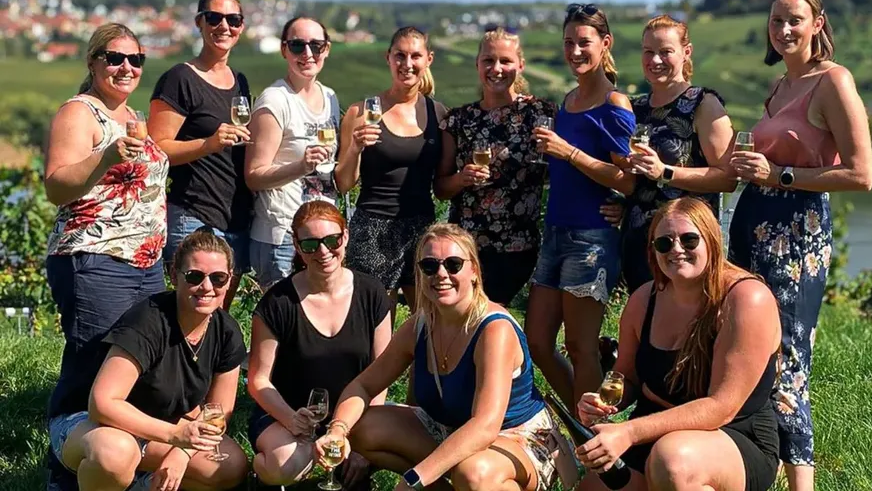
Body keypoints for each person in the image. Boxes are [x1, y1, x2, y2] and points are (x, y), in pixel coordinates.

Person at [728, 0, 872, 490]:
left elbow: (861, 174)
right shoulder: (780, 86)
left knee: (788, 355)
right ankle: (748, 465)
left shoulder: (833, 81)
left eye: (794, 19)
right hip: (753, 224)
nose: (784, 29)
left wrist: (780, 176)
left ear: (818, 24)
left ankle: (802, 486)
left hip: (796, 232)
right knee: (749, 346)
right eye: (775, 21)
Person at [314, 224, 577, 491]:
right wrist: (338, 430)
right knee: (363, 427)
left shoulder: (494, 330)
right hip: (448, 428)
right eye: (429, 265)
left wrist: (412, 480)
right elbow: (364, 385)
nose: (441, 274)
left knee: (474, 474)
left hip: (513, 438)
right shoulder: (420, 324)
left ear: (474, 270)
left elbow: (485, 426)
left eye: (453, 264)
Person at [576, 197, 781, 491]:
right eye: (664, 244)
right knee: (592, 488)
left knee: (672, 461)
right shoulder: (643, 300)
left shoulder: (747, 298)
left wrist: (629, 432)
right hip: (652, 430)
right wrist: (603, 401)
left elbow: (721, 407)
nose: (676, 250)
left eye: (689, 240)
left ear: (711, 240)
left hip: (731, 436)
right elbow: (626, 375)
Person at [43, 23, 169, 491]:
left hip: (144, 263)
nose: (126, 67)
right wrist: (107, 158)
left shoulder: (132, 114)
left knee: (134, 361)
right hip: (95, 257)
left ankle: (118, 461)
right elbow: (57, 185)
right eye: (115, 58)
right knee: (93, 359)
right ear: (93, 62)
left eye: (135, 60)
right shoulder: (80, 113)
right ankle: (66, 467)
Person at [51, 230, 249, 491]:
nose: (207, 287)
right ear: (173, 276)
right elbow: (102, 403)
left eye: (218, 278)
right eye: (194, 276)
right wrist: (175, 437)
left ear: (229, 280)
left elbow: (218, 411)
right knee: (116, 454)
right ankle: (77, 479)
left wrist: (182, 453)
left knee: (231, 465)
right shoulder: (148, 320)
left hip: (159, 430)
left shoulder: (226, 330)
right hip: (94, 424)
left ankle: (135, 484)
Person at [525, 3, 635, 413]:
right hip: (554, 233)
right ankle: (585, 418)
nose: (574, 51)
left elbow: (627, 179)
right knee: (537, 340)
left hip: (591, 237)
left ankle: (588, 445)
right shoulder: (569, 100)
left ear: (605, 44)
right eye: (568, 42)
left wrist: (568, 153)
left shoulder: (615, 104)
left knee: (578, 345)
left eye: (583, 43)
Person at [247, 201, 393, 490]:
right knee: (286, 464)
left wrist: (359, 439)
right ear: (297, 246)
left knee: (386, 442)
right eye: (311, 244)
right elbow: (257, 380)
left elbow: (383, 374)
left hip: (354, 414)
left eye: (331, 240)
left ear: (345, 237)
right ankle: (256, 474)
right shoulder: (277, 303)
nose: (323, 252)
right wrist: (290, 419)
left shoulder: (372, 293)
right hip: (289, 414)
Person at [606, 14, 736, 292]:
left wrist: (664, 172)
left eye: (665, 52)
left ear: (686, 52)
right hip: (638, 241)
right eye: (648, 52)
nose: (654, 61)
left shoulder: (704, 104)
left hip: (686, 244)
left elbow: (727, 178)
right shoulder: (634, 107)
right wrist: (621, 199)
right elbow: (630, 175)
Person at [435, 27, 555, 306]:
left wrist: (613, 200)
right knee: (468, 320)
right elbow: (441, 187)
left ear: (520, 65)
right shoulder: (458, 120)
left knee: (489, 318)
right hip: (466, 249)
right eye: (488, 60)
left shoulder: (541, 114)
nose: (496, 68)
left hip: (518, 248)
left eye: (505, 61)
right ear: (477, 64)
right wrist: (462, 179)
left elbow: (566, 164)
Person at [149, 0, 253, 307]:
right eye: (214, 17)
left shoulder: (240, 81)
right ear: (199, 22)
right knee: (190, 316)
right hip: (195, 213)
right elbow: (157, 150)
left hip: (235, 218)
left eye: (233, 19)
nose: (224, 26)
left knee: (218, 319)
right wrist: (208, 144)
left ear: (242, 26)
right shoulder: (180, 78)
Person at [337, 26, 446, 315]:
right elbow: (344, 183)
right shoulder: (359, 113)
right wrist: (354, 149)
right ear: (388, 58)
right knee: (374, 322)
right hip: (372, 227)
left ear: (428, 59)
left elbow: (443, 183)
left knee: (428, 321)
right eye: (399, 55)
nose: (406, 64)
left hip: (421, 228)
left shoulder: (439, 114)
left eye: (415, 56)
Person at [245, 16, 341, 289]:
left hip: (322, 236)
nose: (308, 54)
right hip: (282, 237)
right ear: (284, 50)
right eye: (298, 46)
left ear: (327, 49)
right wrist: (301, 166)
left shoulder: (330, 98)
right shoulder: (275, 100)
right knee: (283, 325)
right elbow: (254, 175)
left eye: (316, 45)